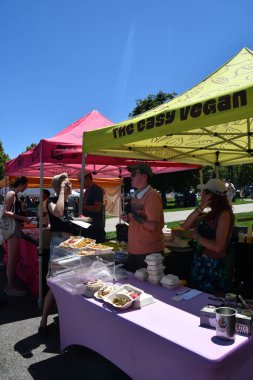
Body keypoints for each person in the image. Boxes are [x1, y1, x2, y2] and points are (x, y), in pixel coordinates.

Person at [38, 173, 77, 336]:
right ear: (58, 187)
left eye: (68, 183)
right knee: (55, 283)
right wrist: (61, 191)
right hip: (58, 244)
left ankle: (68, 318)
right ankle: (43, 321)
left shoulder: (72, 201)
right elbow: (59, 213)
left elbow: (68, 219)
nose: (69, 185)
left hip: (72, 244)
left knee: (71, 282)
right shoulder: (52, 201)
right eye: (65, 184)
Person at [181, 178, 234, 294]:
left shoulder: (225, 215)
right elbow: (185, 225)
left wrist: (198, 237)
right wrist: (201, 207)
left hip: (213, 268)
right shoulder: (210, 214)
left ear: (211, 196)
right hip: (201, 264)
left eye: (204, 192)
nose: (201, 194)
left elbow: (218, 247)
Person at [120, 164, 164, 272]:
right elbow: (138, 222)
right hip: (135, 249)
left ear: (144, 177)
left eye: (134, 174)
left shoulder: (152, 196)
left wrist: (133, 217)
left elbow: (153, 226)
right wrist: (128, 219)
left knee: (149, 287)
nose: (131, 177)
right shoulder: (136, 196)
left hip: (149, 252)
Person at [3, 176, 32, 296]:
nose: (27, 187)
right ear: (22, 184)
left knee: (14, 258)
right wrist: (22, 218)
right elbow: (5, 212)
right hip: (12, 228)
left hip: (15, 228)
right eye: (27, 184)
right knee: (12, 258)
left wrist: (23, 214)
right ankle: (10, 287)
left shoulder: (14, 195)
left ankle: (10, 286)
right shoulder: (11, 194)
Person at [81, 173, 106, 243]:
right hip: (88, 226)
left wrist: (81, 207)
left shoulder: (96, 189)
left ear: (88, 178)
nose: (80, 183)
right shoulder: (88, 190)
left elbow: (97, 208)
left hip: (95, 227)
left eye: (81, 180)